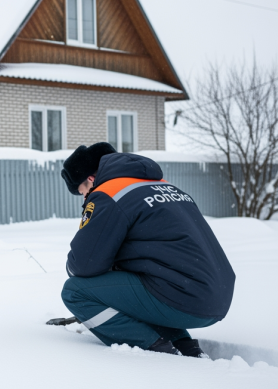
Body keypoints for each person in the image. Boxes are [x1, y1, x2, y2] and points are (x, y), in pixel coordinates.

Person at [58, 143, 235, 357]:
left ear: (90, 179)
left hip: (184, 297)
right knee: (143, 283)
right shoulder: (164, 186)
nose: (85, 198)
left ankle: (154, 349)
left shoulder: (110, 192)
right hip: (215, 297)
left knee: (75, 292)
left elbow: (84, 264)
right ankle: (184, 345)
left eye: (82, 192)